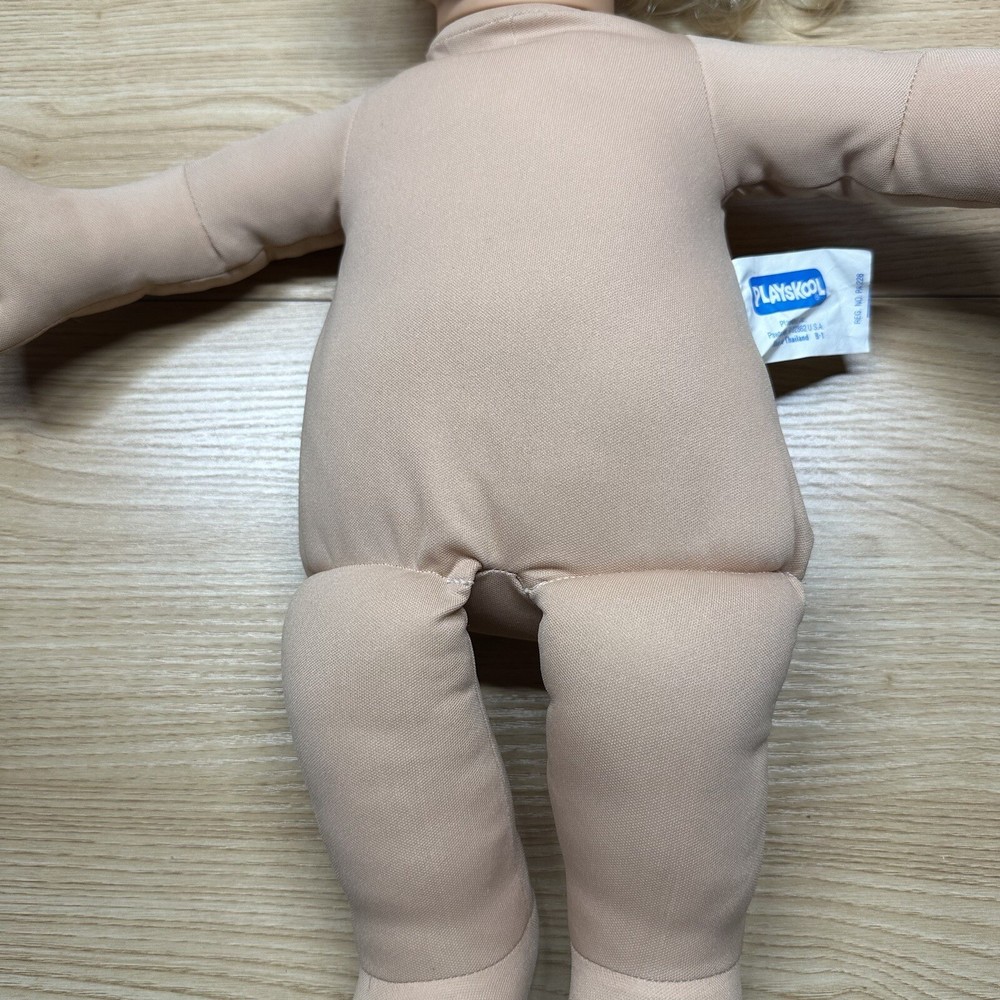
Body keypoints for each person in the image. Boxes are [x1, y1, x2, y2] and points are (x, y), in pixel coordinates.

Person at [1, 2, 997, 997]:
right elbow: (192, 217)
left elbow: (906, 118)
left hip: (636, 556)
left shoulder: (682, 81)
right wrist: (67, 239)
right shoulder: (388, 122)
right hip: (406, 569)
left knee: (661, 728)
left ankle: (634, 967)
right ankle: (444, 961)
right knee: (363, 690)